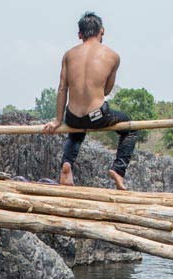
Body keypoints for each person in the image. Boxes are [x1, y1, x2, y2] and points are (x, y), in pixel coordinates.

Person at [42, 11, 137, 191]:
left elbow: (62, 88)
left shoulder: (68, 55)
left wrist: (57, 120)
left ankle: (67, 164)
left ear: (80, 34)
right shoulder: (112, 56)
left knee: (76, 130)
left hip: (72, 116)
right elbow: (107, 90)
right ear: (102, 31)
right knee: (130, 128)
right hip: (97, 116)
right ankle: (118, 170)